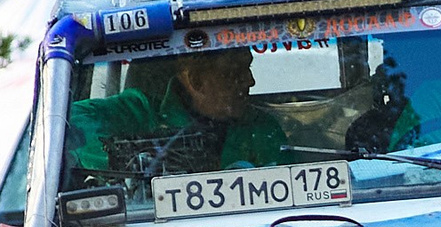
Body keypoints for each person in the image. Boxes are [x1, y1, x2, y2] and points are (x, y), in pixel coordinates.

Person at [66, 48, 288, 175]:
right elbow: (66, 121)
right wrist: (142, 155)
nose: (250, 81)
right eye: (235, 72)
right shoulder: (138, 113)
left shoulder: (262, 128)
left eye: (248, 68)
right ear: (197, 80)